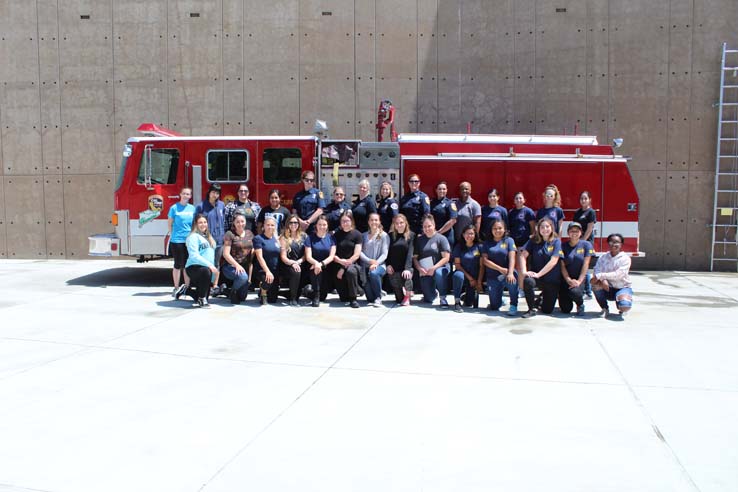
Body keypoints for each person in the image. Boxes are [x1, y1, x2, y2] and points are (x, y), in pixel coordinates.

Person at [519, 217, 564, 318]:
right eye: (542, 227)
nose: (545, 229)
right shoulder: (533, 241)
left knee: (547, 310)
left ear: (551, 228)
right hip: (536, 277)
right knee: (528, 282)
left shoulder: (556, 242)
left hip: (551, 279)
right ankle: (531, 309)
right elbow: (522, 255)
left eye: (547, 226)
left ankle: (540, 298)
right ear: (538, 229)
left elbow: (553, 261)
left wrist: (539, 274)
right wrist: (524, 271)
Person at [481, 219, 520, 315]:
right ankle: (500, 299)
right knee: (494, 307)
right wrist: (500, 269)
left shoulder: (509, 241)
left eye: (500, 228)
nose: (497, 230)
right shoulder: (486, 243)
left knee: (513, 277)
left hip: (507, 273)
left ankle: (513, 305)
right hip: (493, 276)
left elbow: (512, 258)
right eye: (495, 228)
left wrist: (510, 272)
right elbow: (485, 261)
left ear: (504, 229)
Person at [413, 214, 451, 306]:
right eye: (425, 227)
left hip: (440, 268)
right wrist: (419, 268)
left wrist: (434, 268)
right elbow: (415, 258)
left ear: (434, 225)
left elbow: (446, 257)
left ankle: (443, 298)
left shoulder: (441, 239)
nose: (427, 229)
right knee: (429, 299)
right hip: (426, 271)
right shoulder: (419, 240)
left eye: (429, 226)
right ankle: (434, 292)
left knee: (438, 273)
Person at [592, 233, 633, 318]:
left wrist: (601, 276)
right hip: (607, 288)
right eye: (611, 242)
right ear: (608, 243)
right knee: (595, 285)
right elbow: (596, 270)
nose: (614, 244)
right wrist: (603, 280)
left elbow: (619, 275)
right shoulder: (603, 257)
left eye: (617, 242)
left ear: (621, 244)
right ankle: (604, 308)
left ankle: (621, 305)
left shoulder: (625, 258)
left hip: (622, 287)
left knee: (624, 306)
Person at [559, 222, 594, 316]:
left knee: (575, 292)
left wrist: (578, 281)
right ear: (568, 233)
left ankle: (580, 304)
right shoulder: (563, 246)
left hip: (580, 278)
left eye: (577, 231)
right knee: (565, 309)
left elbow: (586, 264)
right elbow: (562, 266)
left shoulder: (586, 245)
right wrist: (568, 280)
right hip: (566, 279)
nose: (574, 233)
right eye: (572, 231)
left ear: (581, 232)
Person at [184, 214, 219, 308]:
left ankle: (186, 291)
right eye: (200, 222)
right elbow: (194, 256)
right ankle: (201, 299)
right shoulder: (193, 237)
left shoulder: (208, 237)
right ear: (195, 224)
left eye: (205, 222)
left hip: (206, 268)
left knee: (203, 295)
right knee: (206, 271)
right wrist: (210, 266)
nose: (203, 224)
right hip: (194, 268)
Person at [331, 210, 363, 308]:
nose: (345, 223)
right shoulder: (336, 235)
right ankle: (358, 289)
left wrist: (343, 267)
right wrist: (340, 262)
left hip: (353, 264)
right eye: (343, 221)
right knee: (343, 298)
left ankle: (353, 299)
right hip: (338, 264)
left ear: (352, 221)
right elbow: (333, 253)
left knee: (350, 272)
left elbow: (357, 255)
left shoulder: (357, 234)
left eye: (347, 221)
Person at [168, 187, 195, 298]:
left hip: (189, 240)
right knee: (178, 264)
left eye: (188, 194)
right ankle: (176, 287)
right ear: (180, 194)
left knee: (187, 265)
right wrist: (172, 235)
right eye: (184, 193)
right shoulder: (174, 208)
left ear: (190, 196)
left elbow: (194, 224)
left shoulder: (192, 208)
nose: (185, 195)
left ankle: (187, 287)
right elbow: (170, 224)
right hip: (177, 240)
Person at [221, 212, 254, 305]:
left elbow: (252, 256)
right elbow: (226, 254)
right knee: (242, 277)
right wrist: (237, 265)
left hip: (244, 267)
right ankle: (233, 292)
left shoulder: (249, 233)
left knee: (242, 297)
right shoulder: (230, 234)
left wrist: (250, 278)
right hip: (230, 266)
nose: (240, 224)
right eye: (238, 222)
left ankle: (225, 290)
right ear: (234, 223)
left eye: (242, 221)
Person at [305, 215, 336, 307]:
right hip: (312, 266)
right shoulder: (310, 238)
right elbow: (308, 256)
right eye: (320, 224)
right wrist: (316, 263)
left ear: (327, 226)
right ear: (316, 225)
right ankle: (316, 296)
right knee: (316, 270)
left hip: (327, 267)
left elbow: (331, 256)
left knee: (324, 296)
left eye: (324, 224)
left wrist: (321, 264)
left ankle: (308, 291)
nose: (322, 227)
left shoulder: (331, 238)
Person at [451, 224, 483, 313]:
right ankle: (457, 302)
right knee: (458, 275)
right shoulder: (459, 247)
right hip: (464, 275)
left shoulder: (479, 247)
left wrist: (479, 281)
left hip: (475, 277)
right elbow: (457, 265)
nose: (470, 236)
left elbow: (481, 266)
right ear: (463, 234)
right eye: (467, 234)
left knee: (469, 303)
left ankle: (466, 297)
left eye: (472, 234)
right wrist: (470, 278)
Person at [361, 213, 389, 307]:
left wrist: (376, 263)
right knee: (369, 298)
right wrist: (369, 261)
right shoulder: (363, 235)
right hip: (366, 266)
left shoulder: (384, 236)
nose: (374, 222)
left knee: (374, 273)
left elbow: (384, 254)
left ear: (379, 221)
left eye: (376, 220)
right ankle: (378, 291)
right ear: (368, 222)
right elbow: (359, 252)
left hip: (380, 265)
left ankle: (378, 298)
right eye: (372, 220)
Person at [572, 190, 597, 299]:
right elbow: (574, 227)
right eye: (582, 198)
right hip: (578, 241)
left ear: (589, 200)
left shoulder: (591, 212)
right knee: (579, 265)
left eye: (585, 198)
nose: (583, 200)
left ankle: (588, 292)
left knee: (584, 267)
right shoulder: (577, 212)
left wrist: (581, 241)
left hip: (586, 243)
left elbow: (589, 229)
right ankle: (583, 290)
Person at [279, 215, 308, 306]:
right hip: (288, 265)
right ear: (287, 224)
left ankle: (283, 293)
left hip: (302, 263)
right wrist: (293, 263)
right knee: (296, 272)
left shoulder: (304, 236)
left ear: (299, 224)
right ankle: (293, 299)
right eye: (291, 222)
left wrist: (299, 262)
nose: (293, 224)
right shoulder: (284, 237)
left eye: (295, 222)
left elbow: (306, 254)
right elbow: (283, 257)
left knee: (301, 291)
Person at [387, 213, 415, 306]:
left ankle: (407, 296)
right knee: (399, 299)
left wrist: (407, 268)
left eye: (401, 222)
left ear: (406, 223)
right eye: (397, 223)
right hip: (394, 269)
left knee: (408, 276)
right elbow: (387, 253)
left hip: (406, 267)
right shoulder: (390, 236)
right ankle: (405, 293)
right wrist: (388, 265)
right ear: (394, 224)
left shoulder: (411, 235)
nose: (399, 225)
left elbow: (410, 253)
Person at [195, 183, 226, 267]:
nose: (215, 195)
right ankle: (206, 280)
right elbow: (197, 225)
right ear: (209, 192)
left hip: (219, 240)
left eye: (217, 193)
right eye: (213, 192)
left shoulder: (221, 205)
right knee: (206, 263)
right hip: (206, 240)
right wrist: (208, 237)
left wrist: (223, 237)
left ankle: (215, 280)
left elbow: (223, 221)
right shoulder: (201, 206)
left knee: (216, 264)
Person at [253, 216, 282, 304]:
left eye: (272, 225)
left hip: (275, 271)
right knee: (267, 281)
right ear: (263, 226)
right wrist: (267, 271)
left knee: (273, 300)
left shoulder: (277, 239)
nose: (270, 227)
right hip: (263, 270)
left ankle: (266, 289)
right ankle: (263, 291)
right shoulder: (258, 238)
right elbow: (259, 257)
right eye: (268, 225)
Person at [430, 181, 458, 248]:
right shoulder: (432, 202)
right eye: (439, 189)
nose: (442, 191)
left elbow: (453, 220)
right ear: (436, 190)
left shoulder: (450, 203)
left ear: (447, 190)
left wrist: (439, 232)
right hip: (433, 234)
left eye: (444, 189)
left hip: (446, 236)